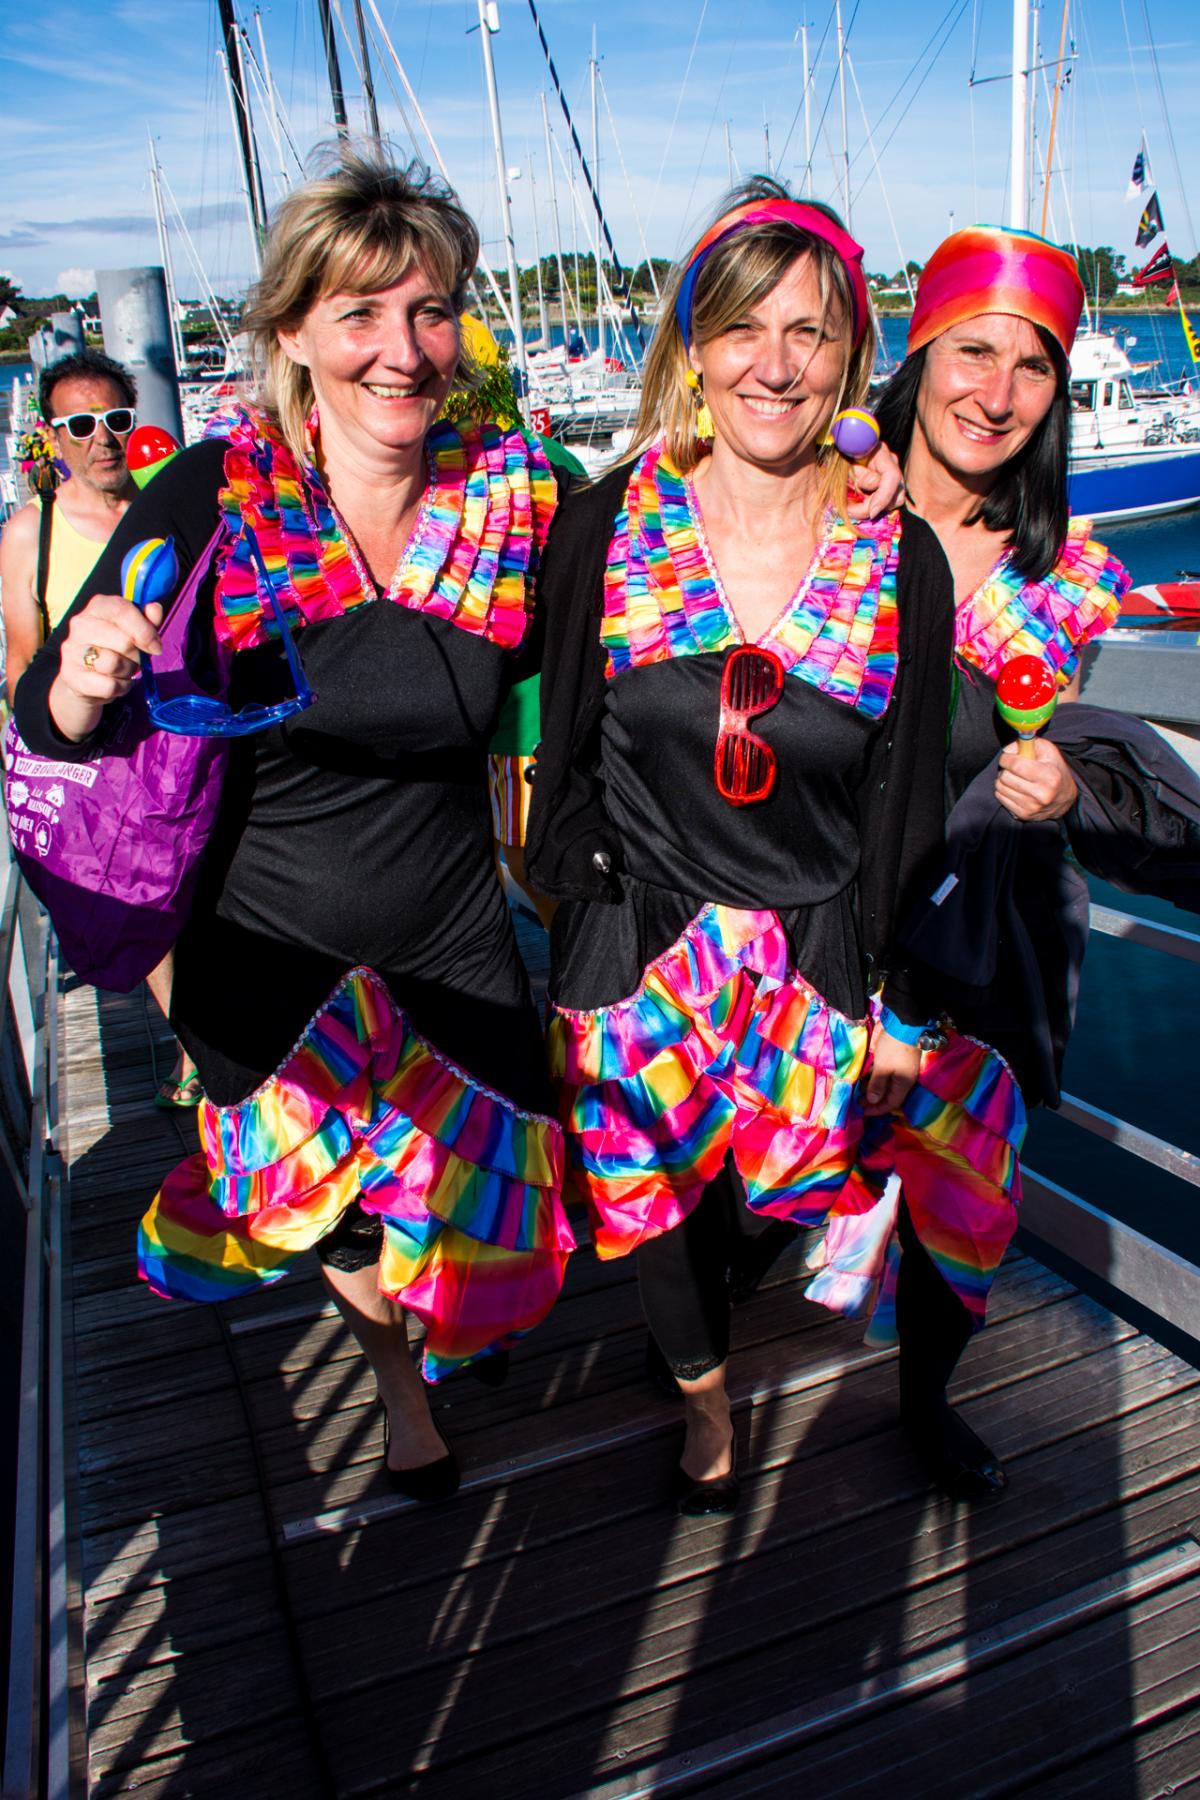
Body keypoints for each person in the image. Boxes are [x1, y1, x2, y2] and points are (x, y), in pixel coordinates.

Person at [14, 150, 573, 1501]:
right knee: (332, 1213)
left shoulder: (514, 500)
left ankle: (447, 1327)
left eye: (429, 312)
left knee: (496, 1194)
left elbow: (666, 578)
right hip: (264, 950)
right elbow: (45, 720)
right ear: (294, 334)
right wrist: (82, 676)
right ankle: (399, 1394)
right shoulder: (214, 490)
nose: (402, 350)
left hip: (454, 942)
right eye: (360, 314)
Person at [525, 180, 954, 1515]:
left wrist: (898, 998)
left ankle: (710, 1317)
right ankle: (705, 1407)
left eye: (810, 332)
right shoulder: (605, 523)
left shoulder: (899, 556)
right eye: (743, 329)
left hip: (811, 949)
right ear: (695, 348)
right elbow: (564, 737)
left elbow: (907, 799)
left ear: (851, 357)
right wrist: (575, 893)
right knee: (647, 1202)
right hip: (638, 933)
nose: (776, 365)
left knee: (771, 1198)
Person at [830, 225, 1132, 1499]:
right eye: (972, 351)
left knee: (962, 1205)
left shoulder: (1068, 580)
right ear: (919, 356)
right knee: (777, 1165)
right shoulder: (820, 512)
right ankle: (705, 1334)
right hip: (810, 930)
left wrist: (1067, 785)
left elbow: (1066, 754)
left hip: (968, 952)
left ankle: (925, 1401)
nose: (997, 394)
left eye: (1034, 366)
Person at [0, 349, 200, 1110]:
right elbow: (24, 659)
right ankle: (195, 1049)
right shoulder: (32, 533)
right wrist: (44, 752)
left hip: (181, 745)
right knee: (147, 904)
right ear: (54, 438)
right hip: (95, 758)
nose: (103, 439)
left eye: (115, 419)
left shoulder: (170, 511)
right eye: (80, 426)